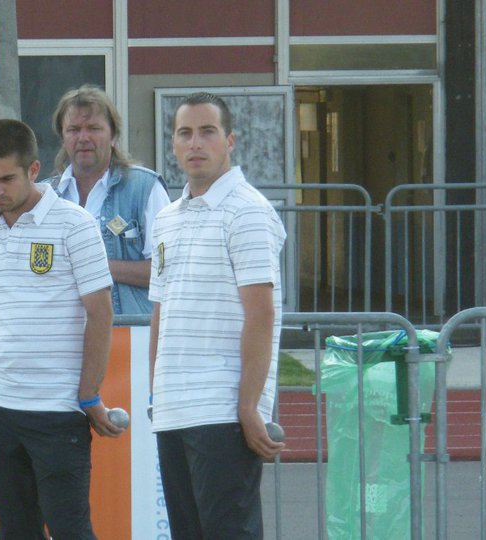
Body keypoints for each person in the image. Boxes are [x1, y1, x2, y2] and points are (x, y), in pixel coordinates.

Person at [0, 119, 122, 539]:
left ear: (33, 170)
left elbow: (100, 313)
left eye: (6, 179)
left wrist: (88, 394)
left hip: (57, 410)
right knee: (16, 531)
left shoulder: (75, 224)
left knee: (70, 530)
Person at [148, 92, 287, 539]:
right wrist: (156, 394)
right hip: (174, 408)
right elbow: (161, 312)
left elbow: (260, 314)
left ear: (230, 141)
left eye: (207, 132)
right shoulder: (166, 218)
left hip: (222, 408)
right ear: (173, 144)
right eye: (184, 133)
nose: (195, 143)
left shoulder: (248, 212)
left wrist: (248, 406)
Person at [46, 84, 170, 315]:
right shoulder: (44, 197)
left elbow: (167, 270)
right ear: (63, 138)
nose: (83, 138)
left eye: (94, 128)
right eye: (73, 130)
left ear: (113, 136)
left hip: (126, 330)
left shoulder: (145, 189)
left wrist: (92, 266)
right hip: (59, 329)